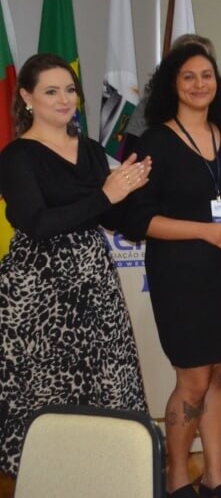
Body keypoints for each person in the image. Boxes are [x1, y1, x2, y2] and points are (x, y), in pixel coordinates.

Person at [0, 54, 149, 475]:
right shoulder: (17, 157)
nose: (65, 99)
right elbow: (38, 223)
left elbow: (112, 219)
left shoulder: (89, 150)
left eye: (70, 89)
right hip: (38, 295)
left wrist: (131, 189)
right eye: (52, 91)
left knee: (106, 386)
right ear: (27, 97)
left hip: (94, 285)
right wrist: (107, 195)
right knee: (47, 396)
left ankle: (105, 476)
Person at [123, 43, 221, 498]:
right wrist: (204, 231)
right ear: (172, 86)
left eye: (207, 76)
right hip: (180, 275)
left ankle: (215, 476)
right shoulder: (153, 142)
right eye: (189, 77)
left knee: (217, 374)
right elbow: (138, 219)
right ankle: (177, 477)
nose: (200, 84)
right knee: (193, 379)